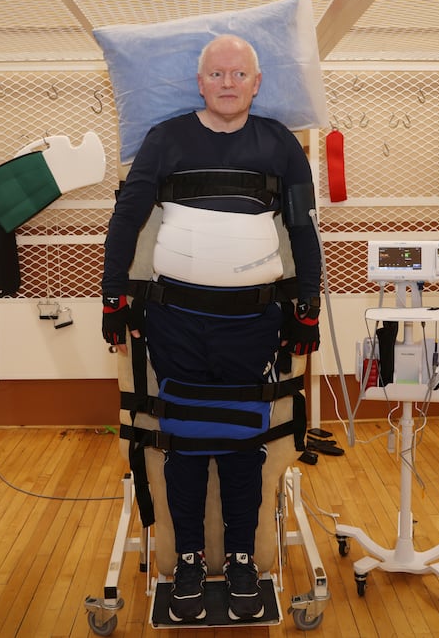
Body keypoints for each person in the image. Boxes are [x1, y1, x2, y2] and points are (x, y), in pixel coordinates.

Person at [100, 34, 322, 623]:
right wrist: (112, 298)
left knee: (245, 441)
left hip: (253, 325)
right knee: (186, 440)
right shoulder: (165, 139)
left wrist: (308, 307)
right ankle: (190, 561)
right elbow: (127, 217)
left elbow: (304, 229)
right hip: (176, 323)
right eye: (217, 74)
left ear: (257, 83)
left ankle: (244, 558)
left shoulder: (279, 143)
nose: (228, 83)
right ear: (200, 83)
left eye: (239, 74)